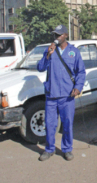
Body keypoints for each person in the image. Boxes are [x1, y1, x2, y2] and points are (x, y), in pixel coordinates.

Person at [37, 25, 86, 161]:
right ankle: (49, 149)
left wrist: (78, 87)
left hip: (67, 95)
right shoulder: (50, 50)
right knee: (50, 124)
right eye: (55, 34)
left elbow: (81, 72)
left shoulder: (74, 52)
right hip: (51, 95)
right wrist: (47, 55)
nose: (56, 37)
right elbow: (40, 68)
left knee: (67, 123)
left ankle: (67, 149)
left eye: (59, 35)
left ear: (65, 35)